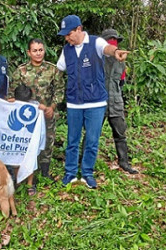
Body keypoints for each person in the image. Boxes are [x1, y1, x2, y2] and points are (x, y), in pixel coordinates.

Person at [56, 15, 129, 189]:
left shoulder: (95, 42)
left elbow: (108, 49)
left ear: (79, 29)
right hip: (74, 102)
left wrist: (115, 52)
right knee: (72, 139)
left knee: (92, 140)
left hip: (95, 102)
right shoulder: (67, 50)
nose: (67, 38)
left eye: (69, 34)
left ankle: (87, 173)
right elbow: (58, 69)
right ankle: (70, 173)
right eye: (65, 35)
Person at [8, 38, 64, 194]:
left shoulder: (53, 70)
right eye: (35, 50)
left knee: (47, 142)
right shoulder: (21, 71)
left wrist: (52, 107)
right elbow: (12, 94)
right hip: (26, 118)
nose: (38, 53)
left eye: (40, 50)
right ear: (28, 52)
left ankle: (44, 173)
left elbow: (59, 91)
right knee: (25, 144)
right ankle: (21, 175)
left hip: (46, 114)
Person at [100, 29, 138, 175]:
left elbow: (121, 83)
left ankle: (124, 162)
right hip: (100, 101)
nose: (113, 42)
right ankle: (84, 163)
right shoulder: (97, 59)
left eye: (115, 40)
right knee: (92, 133)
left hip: (116, 102)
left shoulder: (121, 62)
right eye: (110, 40)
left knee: (120, 134)